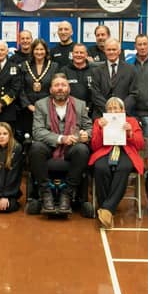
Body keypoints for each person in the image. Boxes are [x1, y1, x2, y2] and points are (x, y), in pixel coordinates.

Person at [30, 74, 92, 214]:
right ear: (51, 89)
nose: (60, 88)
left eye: (63, 85)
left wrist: (85, 135)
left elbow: (89, 127)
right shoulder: (41, 104)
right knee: (36, 147)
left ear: (69, 88)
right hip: (50, 146)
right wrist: (61, 139)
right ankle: (46, 193)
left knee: (82, 149)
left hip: (72, 148)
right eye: (56, 85)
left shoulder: (80, 104)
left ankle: (67, 193)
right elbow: (37, 131)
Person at [89, 97, 144, 229]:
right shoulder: (99, 121)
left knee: (123, 168)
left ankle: (106, 209)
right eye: (110, 108)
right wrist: (101, 129)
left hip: (126, 151)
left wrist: (130, 132)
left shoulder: (132, 121)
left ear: (123, 110)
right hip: (105, 150)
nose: (113, 111)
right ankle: (107, 210)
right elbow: (94, 146)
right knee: (100, 167)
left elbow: (140, 145)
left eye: (116, 108)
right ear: (106, 110)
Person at [18, 38, 60, 137]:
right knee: (28, 137)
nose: (39, 52)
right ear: (32, 51)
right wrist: (28, 105)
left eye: (42, 49)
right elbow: (20, 88)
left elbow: (56, 87)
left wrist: (47, 105)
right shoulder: (24, 65)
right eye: (36, 49)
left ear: (46, 51)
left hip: (48, 108)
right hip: (27, 110)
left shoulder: (54, 66)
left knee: (46, 136)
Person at [90, 38, 138, 119]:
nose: (111, 52)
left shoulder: (131, 69)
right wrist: (109, 110)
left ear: (119, 51)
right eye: (108, 49)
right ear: (104, 51)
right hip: (101, 115)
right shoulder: (96, 71)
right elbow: (95, 94)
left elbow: (134, 93)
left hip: (124, 115)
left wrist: (120, 109)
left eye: (114, 49)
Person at [62, 43, 94, 114]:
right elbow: (61, 92)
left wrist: (89, 107)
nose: (78, 55)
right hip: (69, 111)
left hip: (90, 111)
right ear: (72, 54)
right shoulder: (64, 71)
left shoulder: (94, 71)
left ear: (86, 55)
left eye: (81, 53)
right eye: (76, 52)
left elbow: (97, 92)